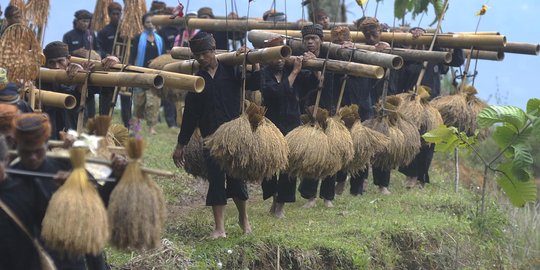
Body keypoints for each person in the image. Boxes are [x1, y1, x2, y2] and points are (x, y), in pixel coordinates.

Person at [2, 113, 125, 269]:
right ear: (16, 145)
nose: (32, 157)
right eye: (26, 152)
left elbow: (97, 207)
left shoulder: (63, 165)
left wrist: (115, 176)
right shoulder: (10, 177)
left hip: (66, 260)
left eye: (38, 151)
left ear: (47, 145)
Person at [172, 32, 260, 239]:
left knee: (237, 179)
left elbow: (256, 84)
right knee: (216, 180)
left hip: (234, 136)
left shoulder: (231, 69)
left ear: (213, 51)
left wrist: (254, 62)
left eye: (204, 53)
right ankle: (219, 228)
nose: (202, 58)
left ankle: (244, 219)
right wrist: (180, 144)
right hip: (211, 138)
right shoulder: (196, 80)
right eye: (197, 55)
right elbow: (191, 116)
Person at [395, 27, 465, 188]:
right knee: (412, 138)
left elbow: (457, 61)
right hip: (411, 103)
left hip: (431, 105)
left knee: (429, 140)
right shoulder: (408, 56)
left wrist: (458, 43)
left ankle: (421, 177)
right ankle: (411, 175)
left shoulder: (437, 54)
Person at [260, 37, 316, 218]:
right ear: (268, 57)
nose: (278, 60)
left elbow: (312, 85)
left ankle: (280, 205)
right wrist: (294, 73)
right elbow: (274, 93)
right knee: (269, 165)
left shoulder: (293, 71)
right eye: (275, 56)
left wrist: (313, 65)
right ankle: (274, 195)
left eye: (282, 56)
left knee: (288, 167)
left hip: (291, 124)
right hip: (270, 125)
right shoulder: (264, 74)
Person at [295, 24, 337, 208]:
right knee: (311, 154)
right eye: (307, 39)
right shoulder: (301, 60)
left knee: (331, 154)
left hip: (329, 111)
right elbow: (303, 86)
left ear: (321, 40)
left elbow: (325, 82)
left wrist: (316, 66)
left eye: (314, 38)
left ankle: (328, 196)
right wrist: (308, 66)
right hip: (309, 111)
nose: (310, 42)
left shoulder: (332, 57)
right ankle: (310, 196)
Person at [41, 41, 118, 139]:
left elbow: (107, 89)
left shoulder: (75, 73)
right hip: (50, 135)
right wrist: (79, 84)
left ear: (68, 60)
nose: (56, 67)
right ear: (46, 64)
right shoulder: (43, 79)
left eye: (60, 61)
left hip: (73, 135)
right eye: (51, 63)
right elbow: (66, 94)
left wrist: (113, 62)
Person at [329, 26, 372, 196]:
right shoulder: (330, 55)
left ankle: (357, 188)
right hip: (340, 109)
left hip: (362, 108)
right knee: (340, 147)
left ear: (351, 41)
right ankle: (339, 181)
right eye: (337, 43)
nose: (342, 45)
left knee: (360, 148)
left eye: (344, 42)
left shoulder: (363, 55)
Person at [97, 1, 132, 127]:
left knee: (126, 98)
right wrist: (108, 56)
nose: (117, 16)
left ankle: (128, 125)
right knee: (106, 98)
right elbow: (99, 49)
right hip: (109, 70)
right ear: (109, 15)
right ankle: (104, 123)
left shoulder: (126, 31)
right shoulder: (103, 32)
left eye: (119, 14)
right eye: (114, 14)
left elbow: (132, 48)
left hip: (124, 69)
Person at [129, 13, 164, 135]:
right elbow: (132, 55)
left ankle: (151, 128)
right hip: (140, 73)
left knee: (153, 103)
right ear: (143, 24)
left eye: (152, 22)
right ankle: (135, 128)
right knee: (138, 102)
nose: (150, 24)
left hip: (155, 75)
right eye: (148, 22)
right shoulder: (139, 38)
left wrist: (156, 63)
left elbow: (163, 57)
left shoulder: (159, 39)